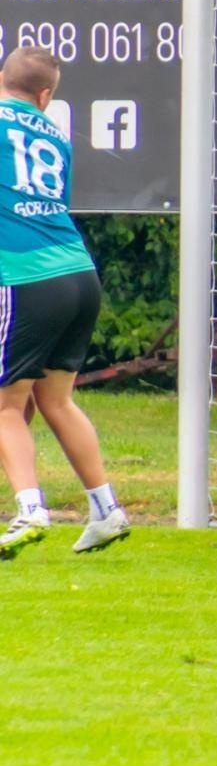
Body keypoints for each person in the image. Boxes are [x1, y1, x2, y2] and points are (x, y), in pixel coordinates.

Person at [0, 47, 130, 559]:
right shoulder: (55, 134)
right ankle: (106, 509)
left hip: (26, 275)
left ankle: (30, 509)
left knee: (7, 404)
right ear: (46, 96)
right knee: (56, 399)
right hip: (78, 272)